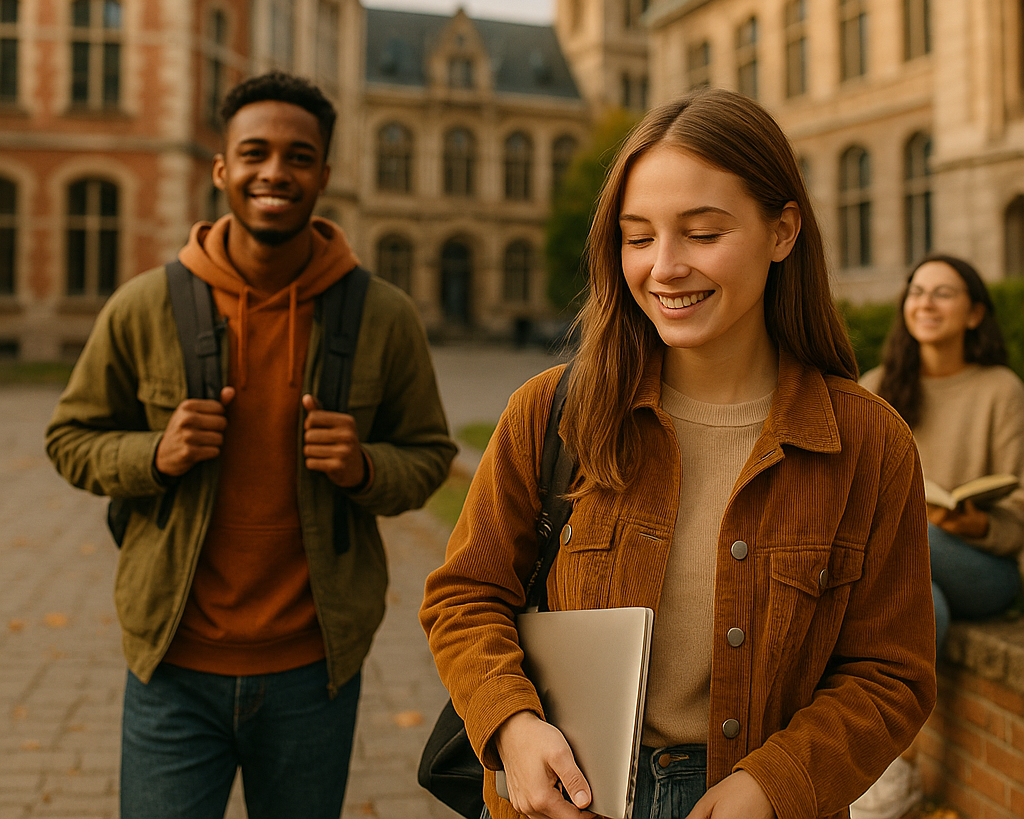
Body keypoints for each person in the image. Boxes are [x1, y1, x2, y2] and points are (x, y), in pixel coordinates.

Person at [420, 89, 936, 819]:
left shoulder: (869, 443)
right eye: (638, 238)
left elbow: (891, 674)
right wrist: (511, 722)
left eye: (701, 233)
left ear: (783, 231)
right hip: (569, 799)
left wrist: (775, 785)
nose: (663, 268)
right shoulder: (550, 413)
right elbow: (464, 596)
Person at [46, 72, 456, 819]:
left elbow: (430, 455)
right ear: (221, 168)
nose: (275, 172)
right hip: (172, 665)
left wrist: (365, 466)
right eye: (254, 153)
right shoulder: (146, 305)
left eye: (299, 157)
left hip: (314, 670)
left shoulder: (383, 316)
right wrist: (155, 455)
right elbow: (69, 439)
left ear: (324, 175)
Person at [851, 255, 1024, 819]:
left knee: (914, 547)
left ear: (974, 313)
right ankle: (894, 770)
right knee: (926, 602)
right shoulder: (877, 387)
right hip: (912, 569)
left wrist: (976, 523)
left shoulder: (1000, 389)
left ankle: (874, 764)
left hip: (983, 567)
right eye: (917, 291)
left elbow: (1018, 506)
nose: (925, 303)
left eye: (942, 293)